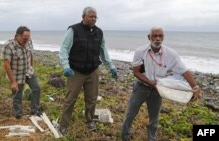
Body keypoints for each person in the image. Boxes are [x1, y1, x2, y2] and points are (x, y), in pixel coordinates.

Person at [121, 27, 201, 141]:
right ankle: (124, 136)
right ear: (149, 37)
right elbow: (136, 71)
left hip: (158, 89)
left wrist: (195, 86)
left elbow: (184, 71)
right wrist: (149, 82)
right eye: (155, 36)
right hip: (141, 87)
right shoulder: (140, 51)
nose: (158, 38)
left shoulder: (171, 54)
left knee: (154, 118)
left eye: (160, 36)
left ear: (163, 38)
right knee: (130, 113)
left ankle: (151, 139)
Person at [59, 6, 118, 135]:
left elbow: (103, 50)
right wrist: (66, 66)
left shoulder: (99, 32)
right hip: (76, 71)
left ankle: (90, 120)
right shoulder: (73, 30)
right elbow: (64, 49)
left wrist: (111, 66)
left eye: (95, 17)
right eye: (91, 16)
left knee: (92, 99)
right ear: (83, 17)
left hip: (93, 70)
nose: (94, 19)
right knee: (70, 99)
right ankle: (63, 124)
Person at [1, 26, 41, 119]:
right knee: (17, 95)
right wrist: (13, 82)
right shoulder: (8, 46)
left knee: (37, 89)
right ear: (17, 36)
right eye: (24, 39)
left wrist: (31, 67)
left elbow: (30, 54)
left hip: (28, 71)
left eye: (28, 38)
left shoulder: (29, 41)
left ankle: (35, 111)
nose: (26, 41)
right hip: (16, 75)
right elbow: (6, 64)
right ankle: (18, 115)